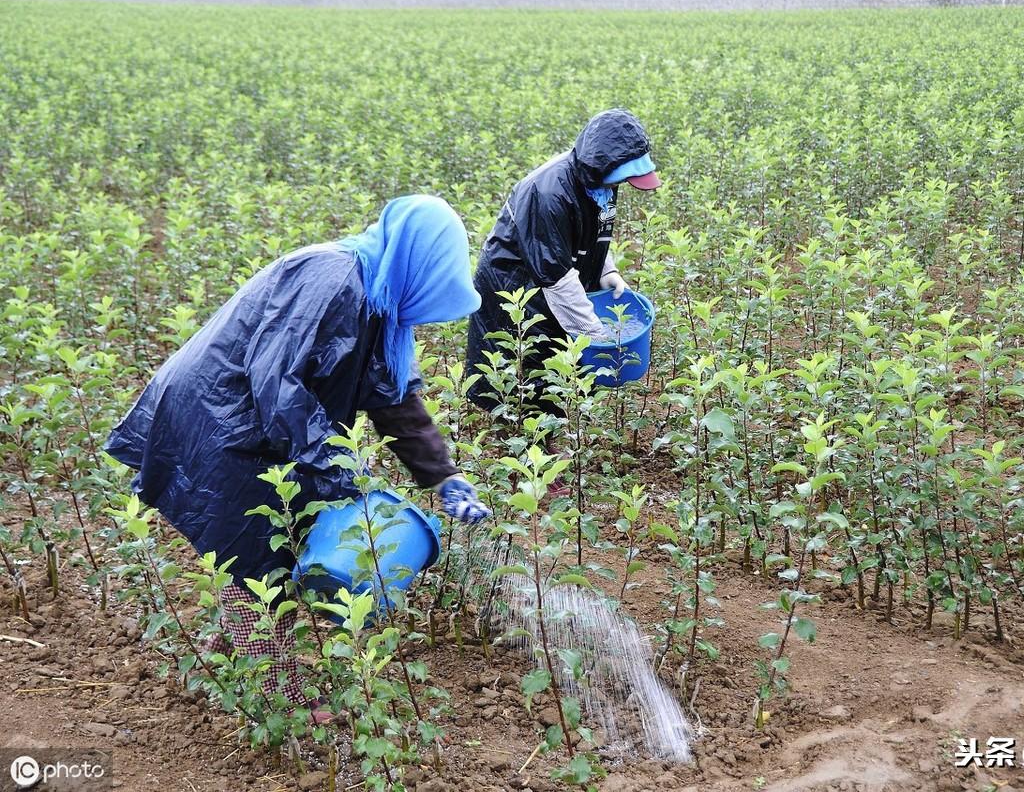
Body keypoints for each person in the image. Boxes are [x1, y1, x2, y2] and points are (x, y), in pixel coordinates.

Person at [105, 195, 491, 719]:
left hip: (260, 425)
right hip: (220, 418)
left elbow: (395, 400)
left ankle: (230, 661)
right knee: (254, 557)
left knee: (270, 544)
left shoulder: (382, 302)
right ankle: (275, 700)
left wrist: (443, 477)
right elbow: (276, 384)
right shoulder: (331, 279)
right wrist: (338, 466)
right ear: (412, 263)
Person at [466, 108, 661, 422]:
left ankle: (548, 426)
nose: (625, 183)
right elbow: (554, 275)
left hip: (551, 275)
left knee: (556, 358)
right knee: (527, 361)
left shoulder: (601, 182)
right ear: (604, 164)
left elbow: (592, 231)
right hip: (515, 282)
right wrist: (596, 335)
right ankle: (526, 441)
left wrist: (607, 271)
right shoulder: (548, 192)